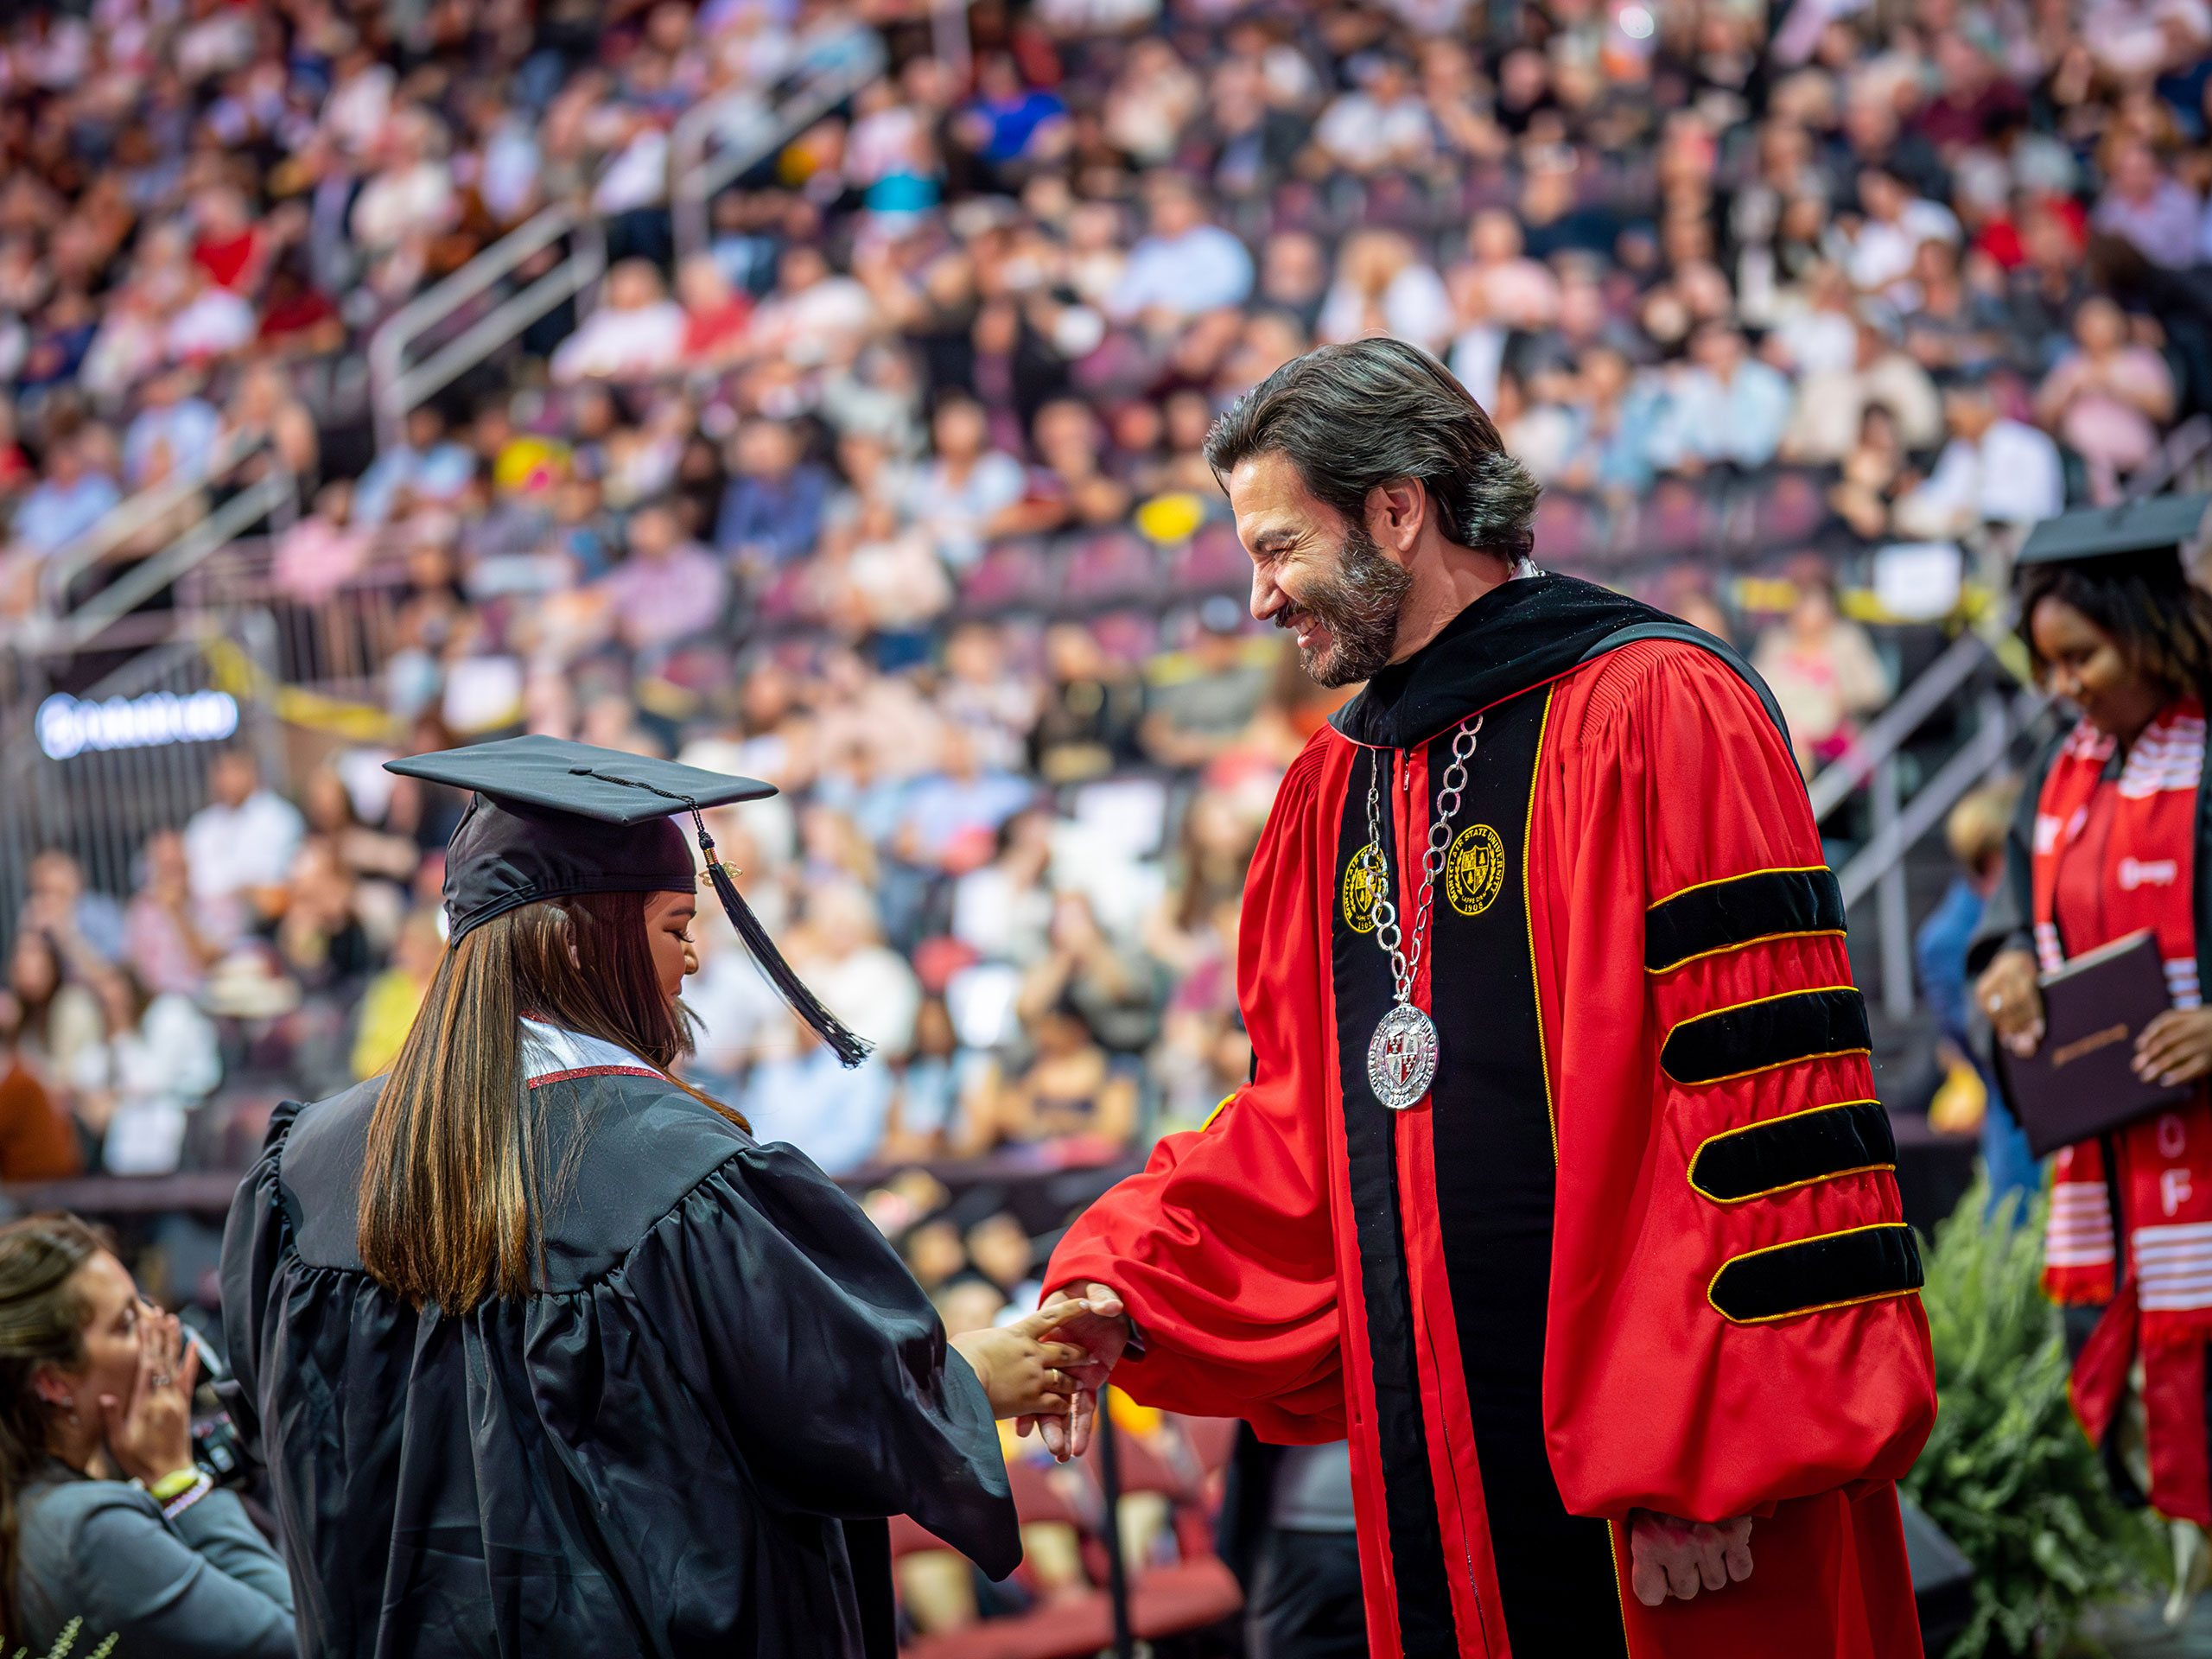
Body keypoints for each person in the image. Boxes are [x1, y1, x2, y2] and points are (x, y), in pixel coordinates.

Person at [1028, 341, 1935, 1656]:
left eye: (1279, 548)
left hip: (1675, 1486)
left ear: (1399, 510)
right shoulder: (1334, 792)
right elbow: (1306, 1125)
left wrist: (1707, 1455)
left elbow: (1749, 1106)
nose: (1255, 600)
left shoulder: (1653, 707)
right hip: (1438, 1478)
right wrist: (1127, 1277)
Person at [219, 737, 1090, 1658]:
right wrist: (966, 1378)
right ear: (572, 938)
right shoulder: (672, 1172)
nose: (695, 963)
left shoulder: (299, 1171)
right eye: (677, 927)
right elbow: (815, 1405)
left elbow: (282, 1422)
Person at [1970, 493, 2212, 1620]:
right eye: (2047, 664)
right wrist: (2010, 967)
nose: (2064, 686)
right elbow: (2014, 922)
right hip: (2111, 1162)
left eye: (2084, 656)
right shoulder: (2061, 779)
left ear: (2154, 628)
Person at [3, 1214, 296, 1656]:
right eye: (125, 1324)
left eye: (143, 1302)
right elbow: (299, 1641)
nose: (163, 1327)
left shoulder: (30, 1501)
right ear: (54, 1383)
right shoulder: (88, 1530)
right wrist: (177, 1479)